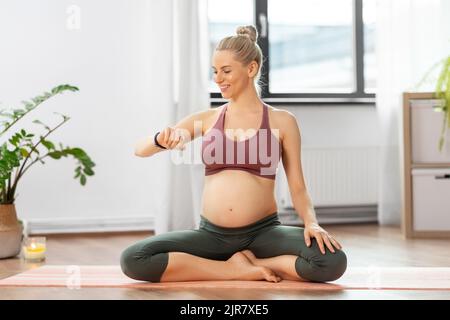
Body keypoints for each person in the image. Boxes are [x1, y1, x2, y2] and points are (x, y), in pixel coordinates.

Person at [120, 25, 347, 283]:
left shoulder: (282, 121)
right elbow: (140, 149)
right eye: (215, 72)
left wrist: (311, 222)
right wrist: (159, 139)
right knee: (134, 259)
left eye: (226, 71)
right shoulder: (207, 118)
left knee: (332, 260)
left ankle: (256, 262)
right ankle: (232, 269)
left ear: (251, 69)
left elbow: (298, 187)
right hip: (210, 235)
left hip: (264, 234)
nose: (218, 78)